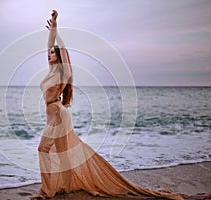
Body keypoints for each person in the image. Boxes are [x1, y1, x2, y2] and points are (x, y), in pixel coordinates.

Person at [31, 10, 187, 200]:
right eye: (48, 53)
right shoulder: (52, 70)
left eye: (52, 53)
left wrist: (58, 29)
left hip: (57, 114)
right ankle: (66, 186)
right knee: (63, 154)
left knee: (43, 149)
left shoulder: (64, 71)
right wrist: (52, 30)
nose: (49, 54)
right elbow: (50, 44)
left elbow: (62, 50)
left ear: (60, 57)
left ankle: (46, 192)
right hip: (55, 113)